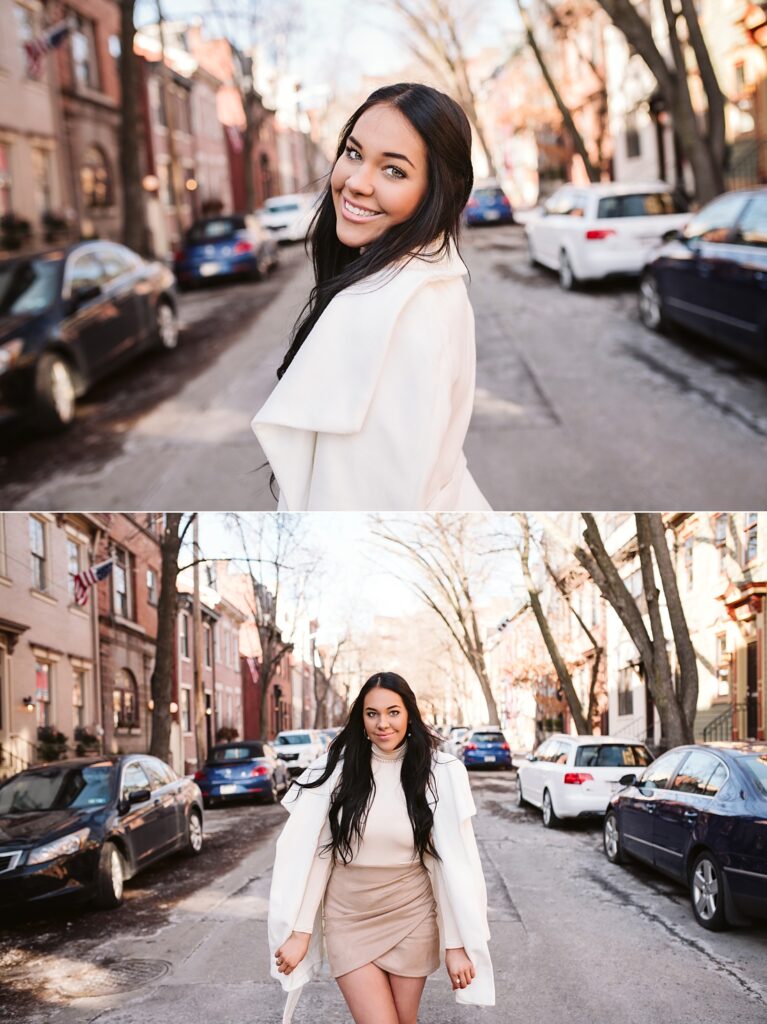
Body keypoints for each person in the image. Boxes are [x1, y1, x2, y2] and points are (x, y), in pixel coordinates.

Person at [252, 83, 491, 512]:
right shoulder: (434, 279)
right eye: (354, 153)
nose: (356, 183)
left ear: (439, 191)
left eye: (394, 171)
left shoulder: (388, 309)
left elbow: (356, 500)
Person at [267, 672, 495, 1024]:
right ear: (361, 718)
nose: (382, 723)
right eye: (372, 714)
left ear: (409, 715)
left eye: (393, 712)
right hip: (349, 920)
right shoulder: (338, 772)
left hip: (411, 916)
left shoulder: (437, 773)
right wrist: (300, 932)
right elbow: (319, 855)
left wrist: (456, 945)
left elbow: (447, 865)